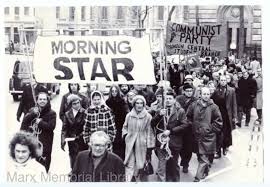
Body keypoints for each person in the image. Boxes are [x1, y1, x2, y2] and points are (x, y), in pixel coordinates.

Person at [186, 87, 223, 182]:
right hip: (196, 136)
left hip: (208, 137)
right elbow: (188, 117)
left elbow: (219, 121)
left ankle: (197, 177)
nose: (206, 96)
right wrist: (193, 126)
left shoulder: (214, 107)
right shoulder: (194, 105)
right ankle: (205, 171)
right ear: (200, 94)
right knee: (200, 156)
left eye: (207, 94)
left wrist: (209, 129)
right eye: (204, 94)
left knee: (204, 157)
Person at [151, 89, 188, 181]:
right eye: (166, 98)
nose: (168, 100)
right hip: (161, 143)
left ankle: (175, 182)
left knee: (174, 165)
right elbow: (152, 123)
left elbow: (184, 125)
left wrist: (171, 131)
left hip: (174, 143)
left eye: (170, 98)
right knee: (161, 166)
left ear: (174, 100)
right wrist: (159, 115)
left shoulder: (180, 111)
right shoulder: (160, 110)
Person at [20, 92, 56, 172]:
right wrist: (32, 114)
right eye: (40, 99)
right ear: (37, 100)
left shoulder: (52, 113)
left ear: (47, 100)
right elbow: (24, 125)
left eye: (44, 99)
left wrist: (40, 123)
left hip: (45, 143)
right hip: (32, 142)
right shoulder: (32, 111)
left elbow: (51, 127)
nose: (42, 101)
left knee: (44, 164)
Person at [122, 95, 155, 182]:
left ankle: (141, 182)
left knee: (142, 165)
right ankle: (128, 182)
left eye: (141, 103)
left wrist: (149, 146)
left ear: (144, 104)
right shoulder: (129, 115)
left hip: (142, 143)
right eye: (137, 103)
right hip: (130, 142)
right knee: (130, 163)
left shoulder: (148, 116)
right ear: (134, 104)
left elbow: (150, 131)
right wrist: (125, 136)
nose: (139, 105)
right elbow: (125, 127)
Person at [212, 76, 237, 158]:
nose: (223, 82)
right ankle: (218, 151)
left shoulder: (231, 90)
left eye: (224, 80)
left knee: (226, 132)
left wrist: (234, 116)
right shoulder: (215, 91)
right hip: (218, 115)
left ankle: (225, 147)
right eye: (221, 80)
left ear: (226, 81)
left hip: (227, 115)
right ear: (219, 81)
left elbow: (234, 104)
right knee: (218, 133)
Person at [61, 94, 88, 171]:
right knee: (72, 156)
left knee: (82, 156)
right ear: (70, 105)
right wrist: (63, 140)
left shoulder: (85, 112)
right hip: (71, 139)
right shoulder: (67, 114)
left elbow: (86, 127)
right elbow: (64, 128)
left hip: (82, 139)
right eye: (74, 103)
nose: (77, 105)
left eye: (78, 102)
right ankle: (73, 171)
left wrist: (79, 136)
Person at [176, 83, 197, 173]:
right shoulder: (178, 99)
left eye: (190, 91)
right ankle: (182, 159)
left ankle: (185, 164)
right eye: (187, 91)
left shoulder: (195, 100)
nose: (189, 93)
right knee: (180, 146)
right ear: (183, 91)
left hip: (190, 127)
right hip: (179, 125)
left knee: (189, 147)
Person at [106, 85, 129, 161]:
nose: (114, 93)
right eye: (112, 91)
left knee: (121, 144)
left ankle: (121, 161)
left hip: (120, 125)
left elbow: (125, 113)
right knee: (113, 144)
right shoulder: (108, 102)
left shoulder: (122, 101)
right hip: (112, 125)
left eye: (116, 91)